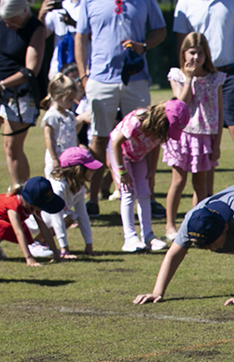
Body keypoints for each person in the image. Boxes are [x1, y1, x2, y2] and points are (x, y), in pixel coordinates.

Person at [75, 0, 167, 216]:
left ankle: (149, 197)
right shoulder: (89, 2)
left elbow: (160, 31)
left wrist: (143, 46)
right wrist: (83, 75)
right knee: (99, 138)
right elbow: (80, 36)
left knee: (147, 135)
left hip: (136, 78)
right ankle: (93, 199)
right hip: (100, 78)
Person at [132, 183, 234, 307]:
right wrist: (157, 292)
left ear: (225, 228)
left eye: (210, 244)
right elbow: (173, 254)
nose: (209, 250)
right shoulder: (194, 217)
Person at [172, 0, 234, 184]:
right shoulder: (185, 3)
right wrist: (186, 75)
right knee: (203, 136)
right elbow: (181, 42)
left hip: (228, 73)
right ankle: (206, 196)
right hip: (197, 77)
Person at [163, 32, 224, 239]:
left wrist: (217, 142)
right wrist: (189, 80)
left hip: (205, 135)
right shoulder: (177, 76)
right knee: (178, 181)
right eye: (192, 52)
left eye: (200, 53)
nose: (195, 57)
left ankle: (196, 224)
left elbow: (219, 111)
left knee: (201, 184)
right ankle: (170, 225)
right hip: (182, 134)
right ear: (184, 53)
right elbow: (181, 104)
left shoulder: (215, 79)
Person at [109, 100, 188, 253]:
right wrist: (122, 172)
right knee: (128, 192)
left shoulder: (160, 130)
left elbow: (154, 146)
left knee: (145, 193)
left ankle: (148, 236)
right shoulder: (137, 122)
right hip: (121, 153)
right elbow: (116, 143)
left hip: (138, 156)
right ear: (162, 120)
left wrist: (152, 170)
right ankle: (130, 238)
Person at [0, 0, 45, 189]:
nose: (8, 23)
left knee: (12, 147)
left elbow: (31, 69)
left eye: (11, 19)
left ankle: (22, 196)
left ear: (24, 11)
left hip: (19, 92)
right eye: (5, 19)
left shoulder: (36, 28)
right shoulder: (2, 20)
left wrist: (1, 85)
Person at [43, 145, 99, 256]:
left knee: (72, 216)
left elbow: (83, 215)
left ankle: (41, 241)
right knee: (67, 217)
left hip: (47, 222)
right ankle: (38, 242)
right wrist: (65, 250)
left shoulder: (79, 186)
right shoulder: (58, 187)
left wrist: (89, 246)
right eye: (90, 167)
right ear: (78, 169)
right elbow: (57, 219)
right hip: (33, 225)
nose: (94, 170)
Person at [0, 176, 66, 265]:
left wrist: (56, 255)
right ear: (32, 202)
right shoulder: (13, 205)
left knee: (22, 230)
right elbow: (18, 232)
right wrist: (29, 258)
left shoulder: (31, 206)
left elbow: (44, 228)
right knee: (7, 227)